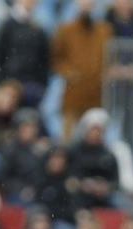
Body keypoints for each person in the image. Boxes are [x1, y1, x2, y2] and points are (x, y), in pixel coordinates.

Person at [52, 0, 111, 136]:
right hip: (74, 93)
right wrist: (69, 73)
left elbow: (110, 58)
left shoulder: (104, 31)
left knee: (94, 135)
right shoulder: (66, 30)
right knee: (68, 136)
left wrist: (104, 74)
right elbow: (56, 59)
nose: (87, 5)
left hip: (96, 93)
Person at [0, 0, 52, 105]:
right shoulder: (7, 26)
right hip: (9, 83)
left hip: (32, 87)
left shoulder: (39, 30)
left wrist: (42, 84)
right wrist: (0, 81)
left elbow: (45, 60)